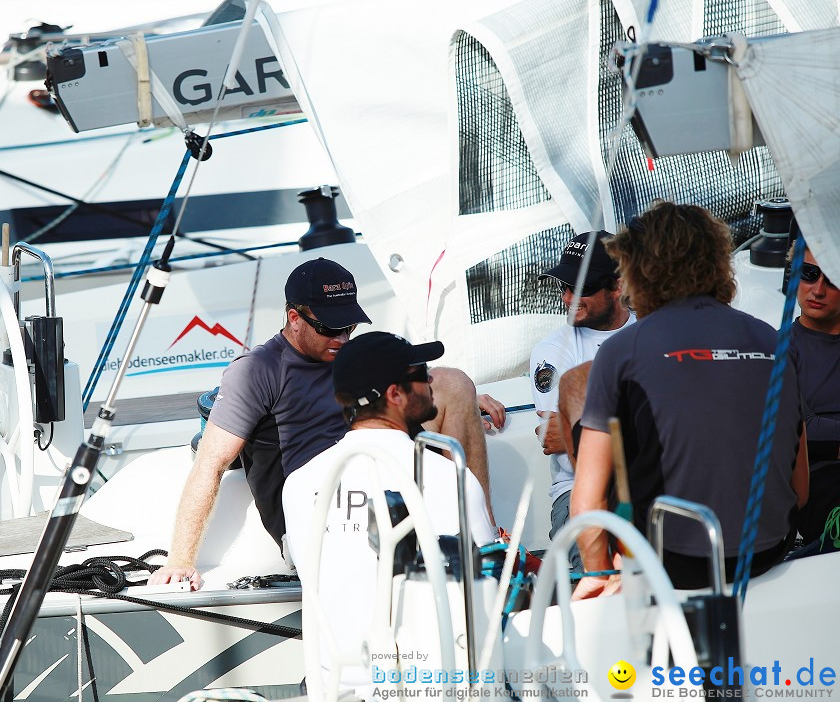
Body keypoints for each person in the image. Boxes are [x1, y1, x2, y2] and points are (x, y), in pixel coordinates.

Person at [149, 257, 504, 589]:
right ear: (294, 318)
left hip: (382, 490)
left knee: (455, 384)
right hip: (319, 516)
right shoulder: (257, 371)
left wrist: (461, 402)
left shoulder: (351, 356)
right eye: (329, 327)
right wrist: (180, 560)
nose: (342, 338)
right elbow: (209, 464)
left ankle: (483, 536)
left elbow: (407, 390)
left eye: (349, 324)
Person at [571, 201, 808, 596]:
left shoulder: (620, 351)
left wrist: (598, 577)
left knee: (572, 389)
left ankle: (606, 571)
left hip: (677, 566)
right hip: (768, 550)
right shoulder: (772, 339)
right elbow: (799, 491)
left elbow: (587, 506)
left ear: (636, 270)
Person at [282, 331, 498, 697]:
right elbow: (487, 587)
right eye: (421, 373)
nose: (431, 380)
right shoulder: (448, 477)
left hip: (333, 687)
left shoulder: (299, 485)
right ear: (395, 394)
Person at [529, 231, 634, 571]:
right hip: (576, 489)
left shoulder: (653, 329)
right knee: (595, 570)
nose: (568, 298)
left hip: (650, 481)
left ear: (617, 287)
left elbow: (574, 433)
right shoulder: (552, 350)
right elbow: (554, 437)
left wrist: (588, 423)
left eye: (582, 288)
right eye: (564, 286)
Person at [790, 246, 840, 546]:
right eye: (809, 274)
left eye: (832, 278)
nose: (817, 289)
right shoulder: (776, 346)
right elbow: (803, 424)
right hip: (818, 481)